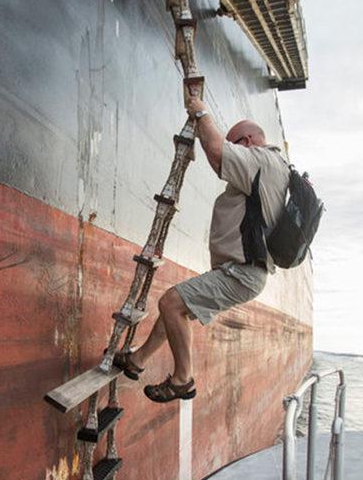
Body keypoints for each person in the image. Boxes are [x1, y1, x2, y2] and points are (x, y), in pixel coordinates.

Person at [114, 95, 291, 403]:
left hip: (242, 272)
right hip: (241, 271)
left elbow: (218, 152)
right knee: (177, 310)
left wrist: (201, 113)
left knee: (172, 303)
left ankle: (184, 380)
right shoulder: (277, 168)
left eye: (236, 144)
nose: (234, 149)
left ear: (248, 142)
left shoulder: (262, 160)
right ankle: (137, 360)